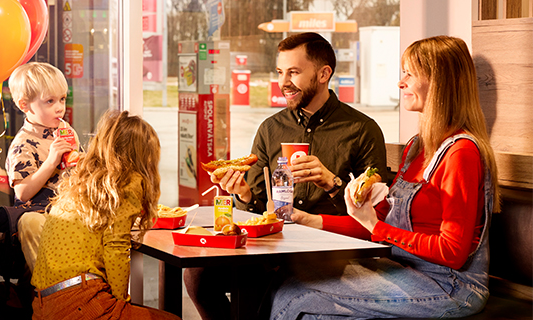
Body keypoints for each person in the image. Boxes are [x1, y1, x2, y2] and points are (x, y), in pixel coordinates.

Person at [269, 35, 500, 320]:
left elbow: (452, 252)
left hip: (450, 286)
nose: (401, 83)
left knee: (296, 295)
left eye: (409, 74)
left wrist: (376, 226)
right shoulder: (417, 146)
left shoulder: (462, 152)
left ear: (440, 82)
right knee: (299, 290)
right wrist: (302, 218)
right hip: (408, 270)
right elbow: (375, 226)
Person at [184, 32, 388, 320]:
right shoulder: (270, 128)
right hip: (273, 243)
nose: (283, 83)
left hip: (327, 247)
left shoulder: (361, 129)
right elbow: (252, 206)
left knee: (263, 281)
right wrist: (241, 192)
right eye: (280, 72)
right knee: (198, 276)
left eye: (294, 72)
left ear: (323, 73)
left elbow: (375, 217)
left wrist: (332, 183)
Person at [31, 110, 179, 320]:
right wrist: (120, 304)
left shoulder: (83, 178)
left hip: (43, 304)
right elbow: (116, 248)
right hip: (79, 301)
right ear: (142, 154)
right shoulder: (126, 182)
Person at [5, 62, 79, 272]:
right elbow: (23, 192)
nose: (60, 107)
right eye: (50, 101)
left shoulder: (65, 131)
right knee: (31, 222)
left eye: (62, 99)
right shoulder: (23, 143)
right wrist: (51, 161)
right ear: (24, 105)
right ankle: (52, 290)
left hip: (67, 211)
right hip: (39, 214)